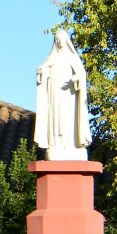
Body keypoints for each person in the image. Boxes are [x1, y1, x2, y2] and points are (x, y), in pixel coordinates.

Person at [33, 30, 91, 160]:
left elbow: (81, 74)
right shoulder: (51, 59)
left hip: (69, 93)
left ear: (66, 40)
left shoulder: (72, 57)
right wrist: (42, 72)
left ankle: (70, 143)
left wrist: (76, 78)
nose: (59, 41)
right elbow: (44, 72)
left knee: (68, 117)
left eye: (61, 38)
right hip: (54, 92)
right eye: (57, 39)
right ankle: (55, 143)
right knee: (55, 118)